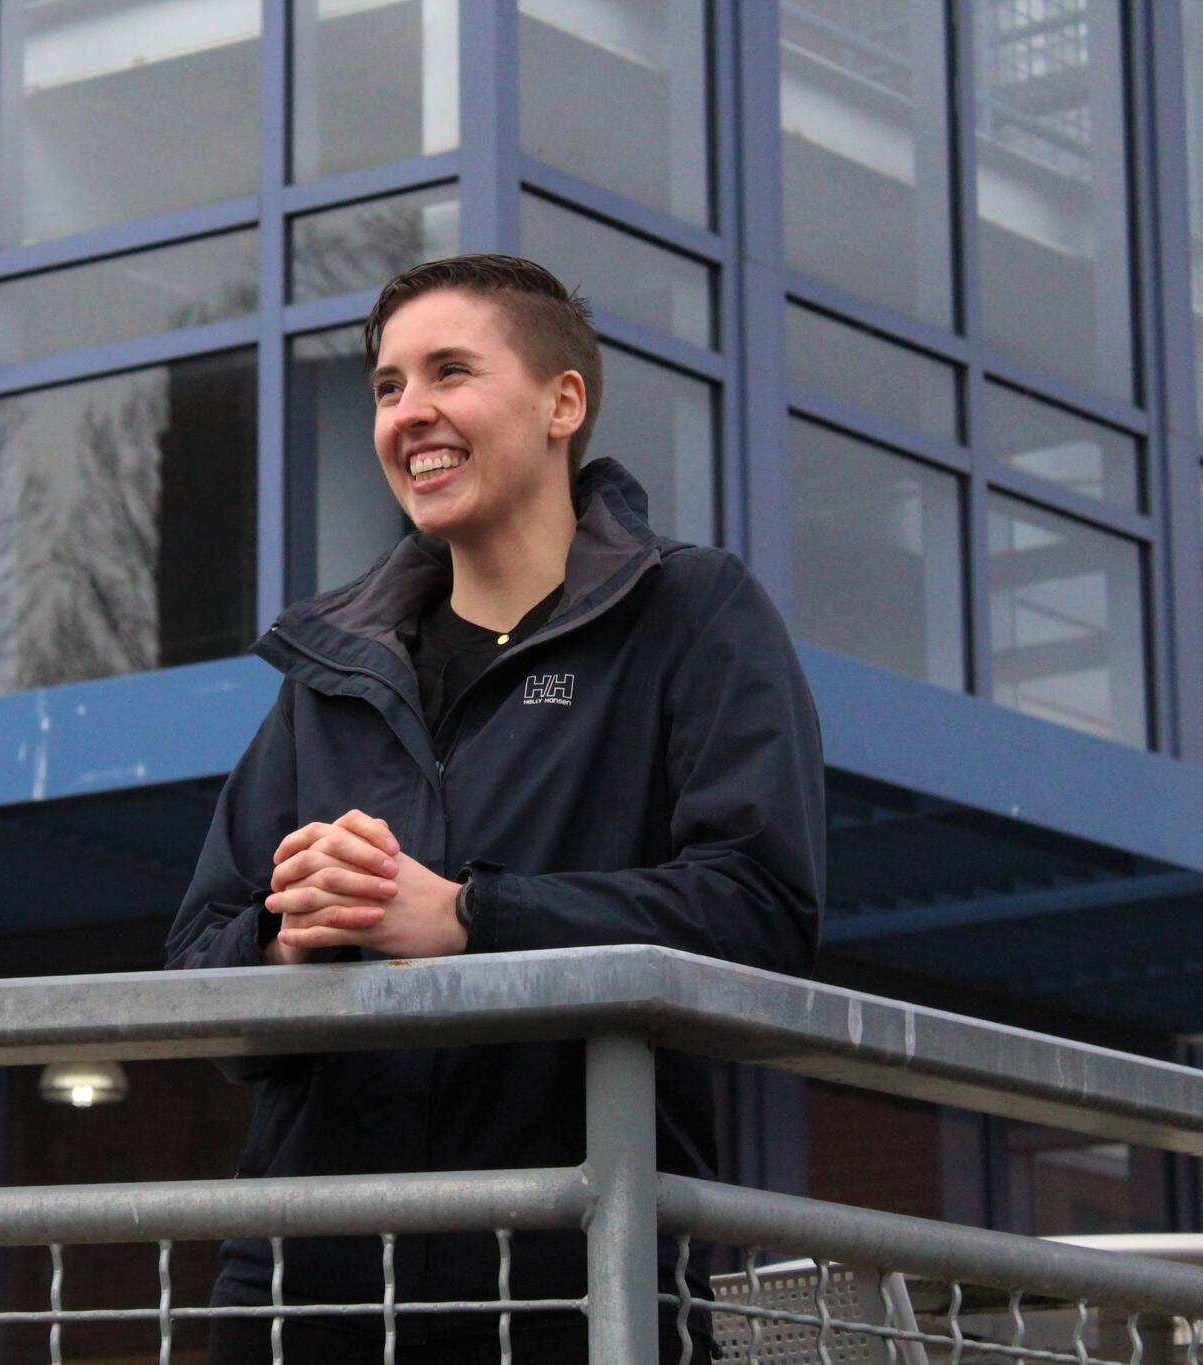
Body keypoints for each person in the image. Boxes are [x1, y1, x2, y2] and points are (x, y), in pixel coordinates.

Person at [165, 254, 824, 1363]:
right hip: (305, 1295)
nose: (407, 412)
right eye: (384, 385)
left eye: (449, 371)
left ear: (562, 402)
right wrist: (286, 941)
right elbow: (191, 966)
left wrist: (469, 920)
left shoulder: (692, 615)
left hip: (577, 1285)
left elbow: (759, 913)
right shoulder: (327, 670)